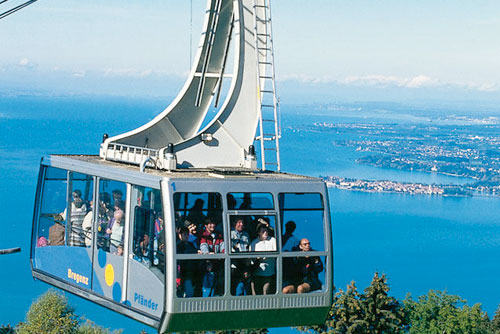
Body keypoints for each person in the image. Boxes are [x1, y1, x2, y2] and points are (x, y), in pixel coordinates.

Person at [250, 223, 276, 295]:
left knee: (266, 293)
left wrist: (264, 257)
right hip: (257, 273)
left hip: (269, 273)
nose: (265, 233)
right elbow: (252, 257)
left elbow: (275, 253)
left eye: (266, 231)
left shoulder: (273, 240)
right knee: (256, 294)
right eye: (263, 231)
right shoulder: (254, 243)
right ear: (258, 233)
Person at [176, 226, 198, 297]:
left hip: (189, 272)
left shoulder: (191, 244)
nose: (186, 236)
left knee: (189, 291)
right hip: (181, 272)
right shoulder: (177, 245)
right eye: (184, 234)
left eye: (187, 234)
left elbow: (195, 253)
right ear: (180, 235)